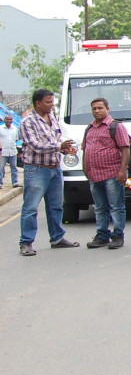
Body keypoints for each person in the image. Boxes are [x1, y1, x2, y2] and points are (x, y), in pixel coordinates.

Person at [18, 89, 80, 256]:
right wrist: (59, 146)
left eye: (52, 102)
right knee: (30, 207)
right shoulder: (28, 122)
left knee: (56, 206)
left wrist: (66, 147)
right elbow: (35, 145)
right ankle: (26, 242)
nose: (52, 105)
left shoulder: (51, 118)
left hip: (54, 168)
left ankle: (57, 238)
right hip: (37, 169)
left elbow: (56, 138)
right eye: (48, 102)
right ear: (38, 103)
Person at [82, 98, 131, 250]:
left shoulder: (115, 126)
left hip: (112, 174)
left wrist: (122, 171)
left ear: (107, 109)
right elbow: (85, 149)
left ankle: (117, 235)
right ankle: (102, 235)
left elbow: (125, 149)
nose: (97, 111)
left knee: (116, 207)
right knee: (99, 207)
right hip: (94, 175)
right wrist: (86, 170)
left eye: (100, 108)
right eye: (94, 108)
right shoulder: (89, 128)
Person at [0, 114, 19, 189]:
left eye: (10, 119)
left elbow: (16, 139)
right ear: (4, 120)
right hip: (3, 152)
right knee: (0, 168)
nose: (9, 121)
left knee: (14, 168)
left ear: (12, 120)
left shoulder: (15, 128)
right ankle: (0, 183)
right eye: (7, 119)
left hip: (13, 151)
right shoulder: (0, 128)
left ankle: (15, 182)